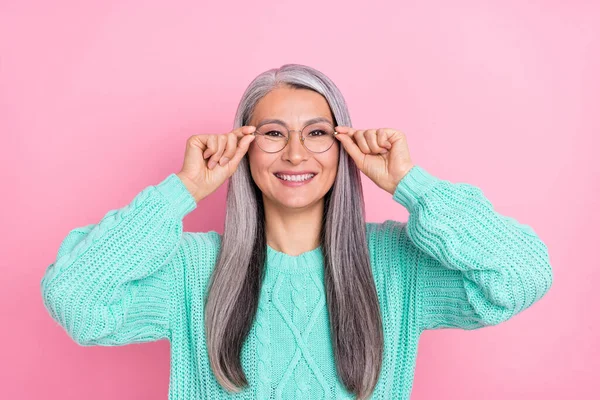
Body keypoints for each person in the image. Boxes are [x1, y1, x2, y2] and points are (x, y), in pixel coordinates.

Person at [40, 63, 553, 400]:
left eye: (316, 133)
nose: (295, 154)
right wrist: (180, 191)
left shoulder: (397, 267)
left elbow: (523, 274)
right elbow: (76, 300)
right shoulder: (192, 272)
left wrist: (410, 184)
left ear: (344, 147)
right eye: (272, 134)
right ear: (243, 148)